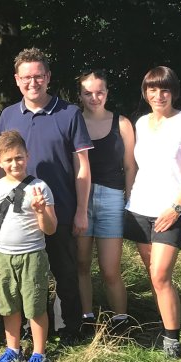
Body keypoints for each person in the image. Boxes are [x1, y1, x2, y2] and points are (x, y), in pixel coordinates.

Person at [0, 48, 93, 343]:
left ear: (48, 77)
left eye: (38, 76)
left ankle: (70, 328)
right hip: (19, 217)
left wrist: (81, 211)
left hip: (59, 209)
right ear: (17, 80)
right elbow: (0, 166)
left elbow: (82, 167)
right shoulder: (8, 115)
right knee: (26, 275)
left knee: (65, 272)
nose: (33, 82)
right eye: (26, 77)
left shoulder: (70, 113)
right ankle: (29, 329)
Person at [124, 66, 181, 359]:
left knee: (160, 275)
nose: (158, 95)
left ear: (174, 92)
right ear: (145, 92)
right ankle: (163, 322)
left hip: (171, 211)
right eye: (152, 89)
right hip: (139, 208)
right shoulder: (142, 123)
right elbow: (135, 167)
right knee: (152, 274)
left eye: (165, 89)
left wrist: (176, 208)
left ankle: (172, 341)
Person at [0, 131, 57, 362]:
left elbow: (51, 229)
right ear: (0, 162)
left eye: (19, 158)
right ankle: (12, 349)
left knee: (35, 306)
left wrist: (41, 210)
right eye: (9, 160)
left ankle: (38, 353)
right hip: (1, 257)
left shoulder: (40, 188)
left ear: (27, 156)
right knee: (8, 306)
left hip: (33, 256)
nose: (15, 164)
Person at [74, 70, 135, 334]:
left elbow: (131, 166)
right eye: (88, 93)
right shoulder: (73, 122)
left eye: (99, 92)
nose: (94, 97)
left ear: (107, 93)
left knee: (110, 269)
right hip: (80, 198)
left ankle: (121, 320)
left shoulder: (121, 124)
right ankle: (86, 316)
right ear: (80, 95)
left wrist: (129, 201)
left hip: (112, 198)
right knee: (82, 264)